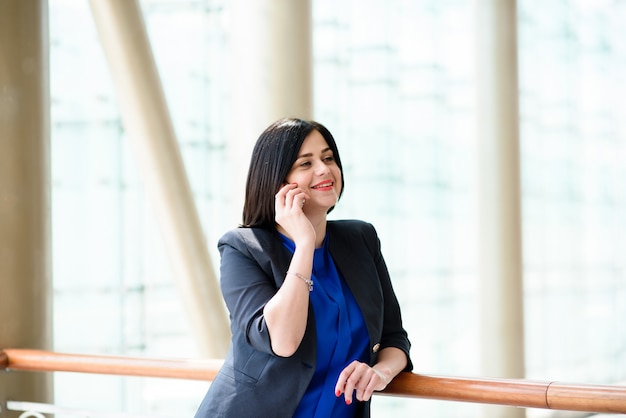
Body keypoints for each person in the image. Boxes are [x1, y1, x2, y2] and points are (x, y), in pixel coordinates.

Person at [194, 118, 412, 418]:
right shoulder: (242, 248)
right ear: (279, 182)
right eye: (305, 163)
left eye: (328, 158)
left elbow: (393, 337)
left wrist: (381, 372)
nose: (324, 169)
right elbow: (282, 341)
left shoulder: (361, 239)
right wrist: (305, 243)